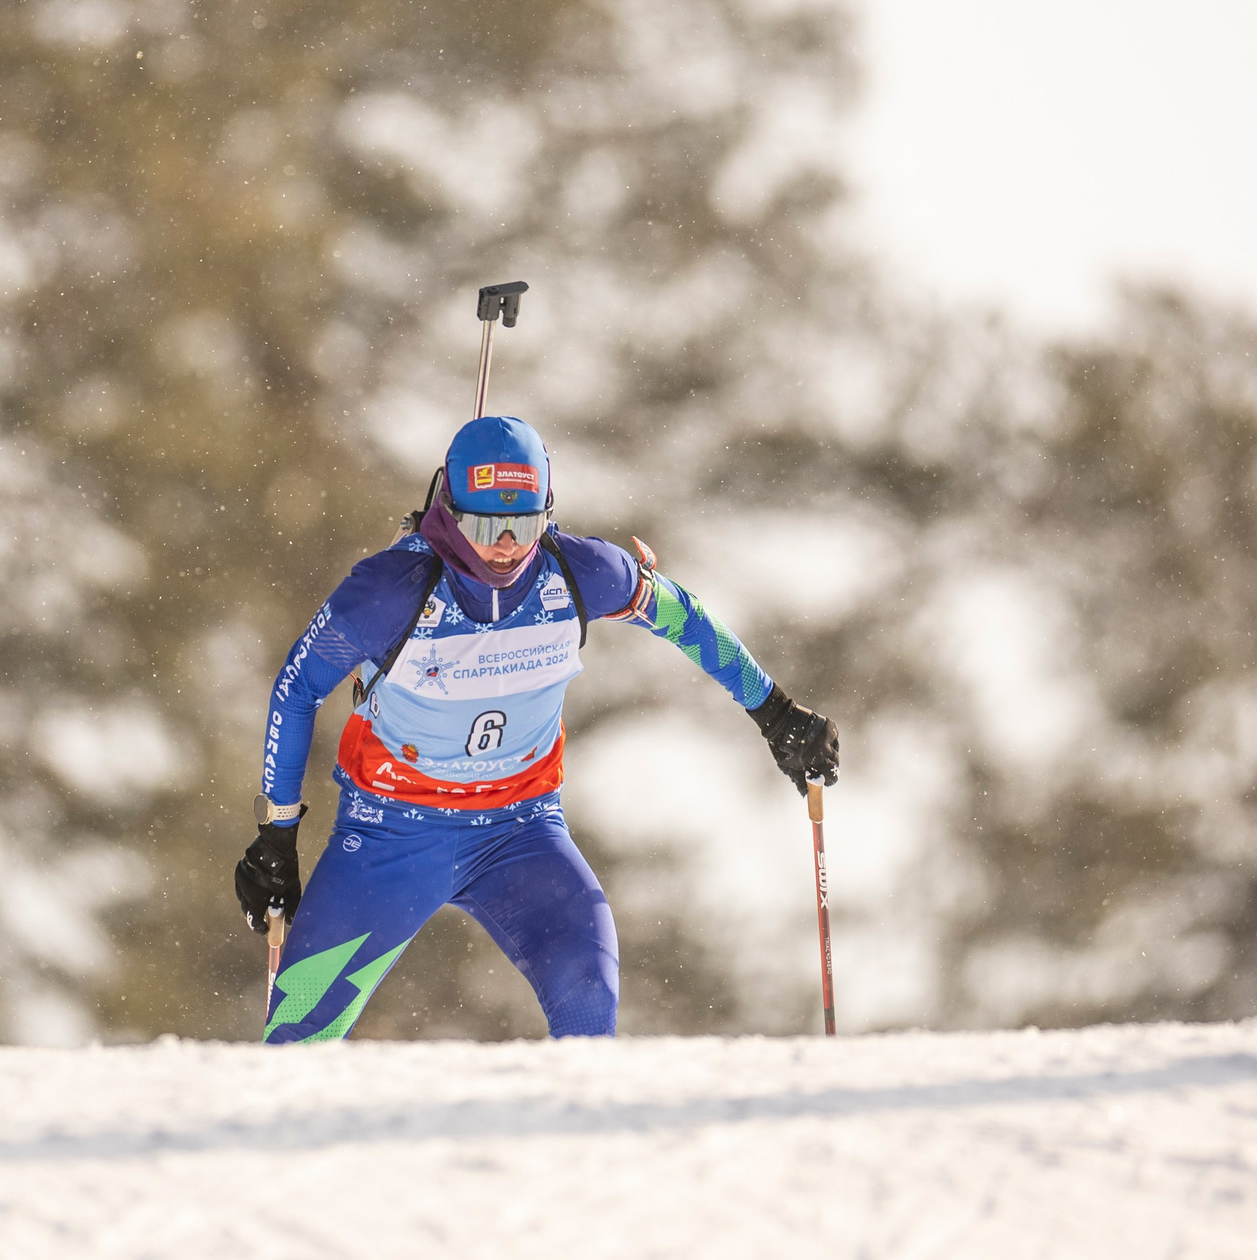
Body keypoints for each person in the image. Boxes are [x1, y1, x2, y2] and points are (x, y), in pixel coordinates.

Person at [235, 415, 839, 1043]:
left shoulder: (582, 573)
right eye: (482, 526)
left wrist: (775, 712)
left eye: (522, 526)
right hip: (390, 836)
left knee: (589, 995)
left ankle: (574, 1138)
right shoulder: (390, 592)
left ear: (547, 514)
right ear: (447, 509)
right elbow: (297, 688)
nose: (503, 546)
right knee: (296, 1038)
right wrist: (277, 832)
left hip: (520, 833)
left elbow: (680, 616)